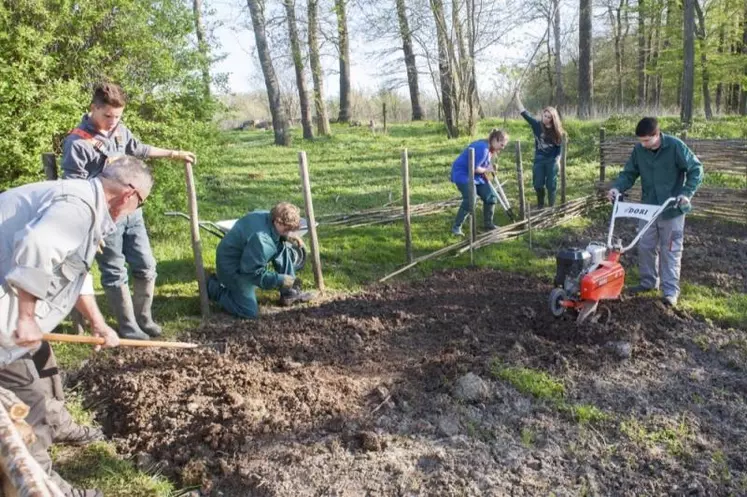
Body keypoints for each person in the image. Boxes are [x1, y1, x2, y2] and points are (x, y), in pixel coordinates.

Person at [0, 156, 154, 497]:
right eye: (139, 204)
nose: (134, 211)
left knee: (44, 364)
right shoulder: (78, 206)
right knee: (27, 405)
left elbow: (74, 273)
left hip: (16, 316)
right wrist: (26, 318)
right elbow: (36, 247)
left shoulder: (89, 208)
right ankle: (42, 487)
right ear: (129, 195)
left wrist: (98, 324)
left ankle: (60, 424)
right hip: (6, 321)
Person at [61, 82, 196, 341]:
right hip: (104, 217)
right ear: (93, 109)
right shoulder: (77, 143)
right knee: (114, 271)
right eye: (107, 116)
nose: (112, 121)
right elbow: (73, 188)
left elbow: (140, 149)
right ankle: (127, 326)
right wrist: (90, 225)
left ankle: (143, 317)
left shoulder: (120, 131)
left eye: (118, 116)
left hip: (132, 213)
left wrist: (174, 153)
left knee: (147, 265)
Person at [607, 117, 704, 307]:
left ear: (657, 135)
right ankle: (648, 282)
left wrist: (686, 193)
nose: (642, 145)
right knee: (646, 246)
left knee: (671, 250)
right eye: (640, 141)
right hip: (648, 207)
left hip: (672, 208)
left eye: (646, 141)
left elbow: (696, 169)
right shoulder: (639, 151)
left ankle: (670, 292)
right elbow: (629, 173)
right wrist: (617, 188)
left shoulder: (675, 147)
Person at [208, 203, 314, 319]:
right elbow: (253, 274)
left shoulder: (268, 216)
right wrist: (279, 279)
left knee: (281, 245)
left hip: (246, 255)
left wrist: (288, 235)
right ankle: (212, 287)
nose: (289, 231)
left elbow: (276, 235)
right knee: (248, 311)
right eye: (287, 229)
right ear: (278, 221)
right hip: (231, 266)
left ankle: (289, 292)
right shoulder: (262, 240)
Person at [450, 129, 510, 236]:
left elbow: (483, 166)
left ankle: (488, 224)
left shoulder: (490, 149)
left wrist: (490, 170)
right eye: (502, 145)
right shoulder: (483, 149)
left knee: (490, 197)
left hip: (477, 176)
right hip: (463, 174)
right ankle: (456, 227)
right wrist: (487, 169)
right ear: (495, 140)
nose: (503, 148)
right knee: (470, 200)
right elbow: (473, 168)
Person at [513, 92, 565, 208]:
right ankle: (540, 205)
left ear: (553, 119)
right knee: (537, 184)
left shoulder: (557, 132)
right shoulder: (537, 125)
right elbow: (524, 112)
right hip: (539, 159)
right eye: (544, 116)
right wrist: (517, 97)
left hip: (552, 160)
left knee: (551, 185)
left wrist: (558, 160)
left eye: (548, 117)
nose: (545, 118)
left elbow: (559, 148)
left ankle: (551, 207)